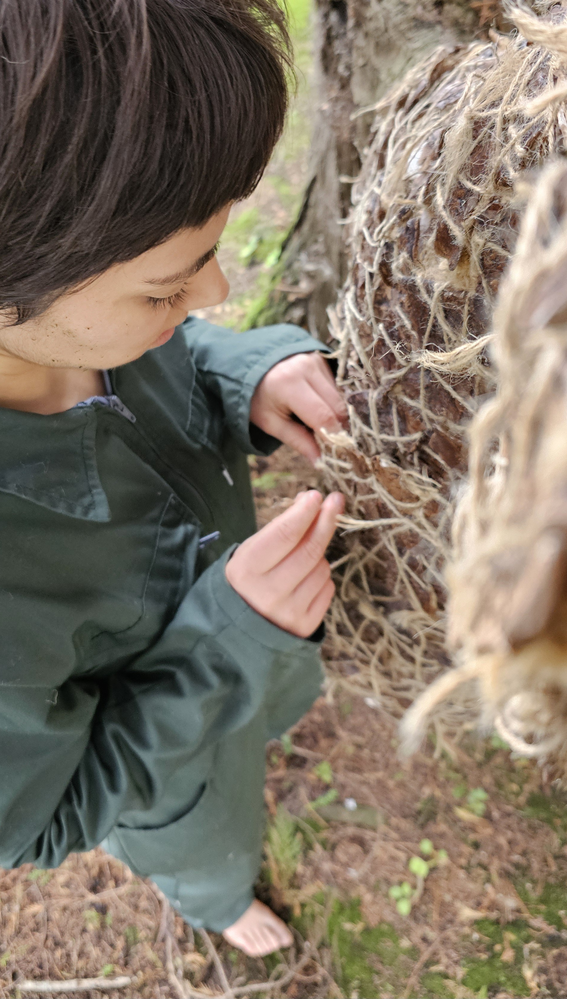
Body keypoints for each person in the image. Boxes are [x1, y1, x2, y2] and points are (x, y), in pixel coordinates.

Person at [0, 0, 347, 958]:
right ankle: (215, 899)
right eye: (165, 286)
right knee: (213, 837)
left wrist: (244, 373)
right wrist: (230, 641)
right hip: (175, 786)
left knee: (267, 711)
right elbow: (46, 816)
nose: (216, 293)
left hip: (252, 652)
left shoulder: (70, 314)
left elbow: (183, 351)